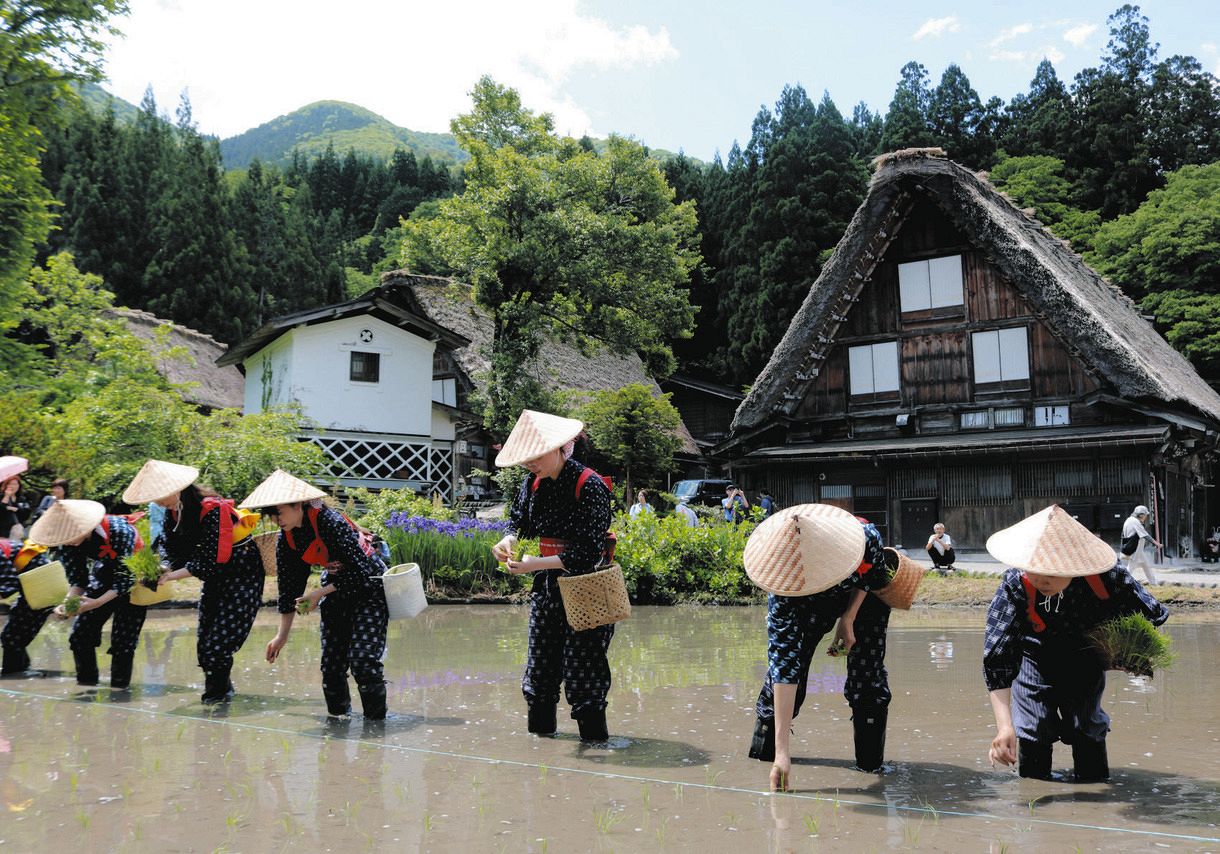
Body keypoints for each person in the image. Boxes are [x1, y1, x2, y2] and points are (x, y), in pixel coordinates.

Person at [983, 505, 1169, 782]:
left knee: (1086, 726)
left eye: (1052, 571)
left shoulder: (1109, 576)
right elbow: (998, 656)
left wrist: (1123, 653)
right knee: (1033, 728)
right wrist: (1004, 726)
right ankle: (1035, 801)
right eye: (1033, 569)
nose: (1040, 579)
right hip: (1033, 655)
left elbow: (1152, 614)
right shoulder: (1015, 583)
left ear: (1076, 565)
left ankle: (1094, 797)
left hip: (1087, 655)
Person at [744, 504, 895, 791]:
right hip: (806, 603)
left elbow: (868, 576)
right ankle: (769, 762)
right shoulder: (784, 593)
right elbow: (784, 665)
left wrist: (848, 617)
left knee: (868, 679)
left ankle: (871, 767)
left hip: (865, 600)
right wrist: (782, 753)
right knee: (788, 678)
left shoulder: (866, 538)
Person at [490, 410, 615, 742]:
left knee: (583, 677)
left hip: (587, 588)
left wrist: (535, 564)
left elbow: (588, 554)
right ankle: (541, 750)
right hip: (547, 588)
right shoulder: (532, 483)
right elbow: (518, 521)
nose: (531, 463)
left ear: (561, 446)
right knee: (539, 674)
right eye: (525, 458)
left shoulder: (589, 485)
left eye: (537, 455)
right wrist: (508, 539)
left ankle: (596, 753)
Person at [243, 470, 390, 721]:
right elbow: (289, 590)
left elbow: (361, 571)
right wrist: (282, 635)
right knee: (331, 667)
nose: (277, 520)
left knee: (363, 661)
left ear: (297, 505)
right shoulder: (287, 539)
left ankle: (376, 728)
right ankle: (338, 722)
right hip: (335, 589)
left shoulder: (330, 522)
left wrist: (319, 594)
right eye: (273, 515)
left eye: (280, 513)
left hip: (369, 588)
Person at [123, 459, 264, 704]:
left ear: (177, 487)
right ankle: (223, 694)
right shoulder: (173, 512)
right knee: (205, 646)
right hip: (215, 578)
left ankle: (214, 703)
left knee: (218, 646)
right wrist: (163, 566)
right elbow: (170, 547)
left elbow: (212, 561)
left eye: (160, 494)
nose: (157, 501)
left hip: (242, 574)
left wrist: (170, 576)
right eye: (153, 497)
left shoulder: (213, 509)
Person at [31, 499, 143, 688]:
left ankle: (119, 689)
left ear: (85, 526)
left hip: (134, 580)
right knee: (80, 634)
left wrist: (96, 603)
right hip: (103, 575)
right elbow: (79, 580)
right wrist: (68, 603)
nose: (69, 542)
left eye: (71, 536)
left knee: (123, 641)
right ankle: (87, 684)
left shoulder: (119, 531)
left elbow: (126, 579)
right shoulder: (67, 543)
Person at [0, 538, 55, 677]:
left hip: (42, 582)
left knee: (13, 636)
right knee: (12, 636)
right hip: (28, 582)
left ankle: (18, 675)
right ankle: (21, 672)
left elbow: (8, 586)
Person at [1120, 505, 1160, 585]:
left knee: (1146, 566)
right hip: (1136, 548)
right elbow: (1145, 535)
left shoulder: (1129, 520)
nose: (1146, 517)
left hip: (1137, 548)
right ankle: (1123, 582)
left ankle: (1153, 583)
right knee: (1131, 567)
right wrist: (1156, 543)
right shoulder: (1135, 522)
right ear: (1141, 515)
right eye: (1145, 515)